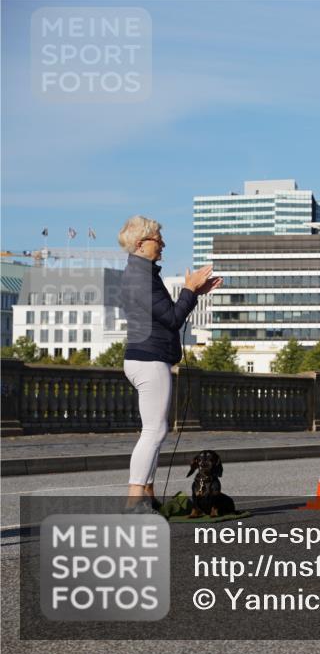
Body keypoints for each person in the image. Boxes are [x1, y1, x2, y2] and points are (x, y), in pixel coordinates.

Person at [118, 215, 222, 512]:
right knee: (154, 431)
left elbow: (167, 314)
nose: (162, 244)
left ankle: (146, 494)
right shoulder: (140, 277)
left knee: (154, 430)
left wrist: (195, 292)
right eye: (157, 240)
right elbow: (174, 319)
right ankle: (134, 498)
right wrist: (189, 290)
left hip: (145, 357)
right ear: (141, 244)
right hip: (149, 359)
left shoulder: (141, 274)